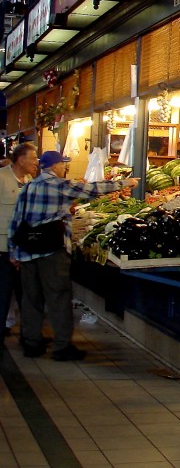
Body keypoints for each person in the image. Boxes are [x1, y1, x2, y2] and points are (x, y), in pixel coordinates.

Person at [8, 150, 139, 361]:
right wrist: (126, 183)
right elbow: (92, 189)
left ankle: (31, 343)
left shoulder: (28, 186)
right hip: (52, 251)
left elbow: (15, 221)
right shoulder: (59, 185)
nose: (65, 168)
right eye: (63, 164)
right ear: (55, 166)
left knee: (31, 299)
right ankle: (62, 346)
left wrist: (14, 251)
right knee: (58, 297)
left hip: (27, 251)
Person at [0, 143, 38, 338]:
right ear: (21, 159)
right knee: (3, 294)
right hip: (3, 248)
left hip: (25, 248)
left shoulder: (30, 180)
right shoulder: (1, 178)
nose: (36, 162)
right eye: (33, 158)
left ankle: (29, 336)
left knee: (26, 294)